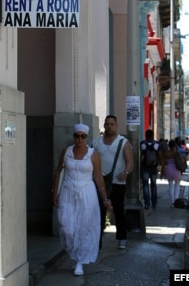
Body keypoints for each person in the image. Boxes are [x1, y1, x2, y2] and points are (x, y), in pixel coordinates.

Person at [52, 123, 112, 276]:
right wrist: (54, 193)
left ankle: (80, 261)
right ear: (74, 137)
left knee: (84, 228)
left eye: (83, 136)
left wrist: (105, 197)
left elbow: (98, 177)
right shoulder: (67, 151)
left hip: (87, 193)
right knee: (66, 227)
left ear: (87, 137)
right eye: (77, 136)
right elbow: (58, 171)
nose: (80, 139)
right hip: (67, 191)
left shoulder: (93, 154)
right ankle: (74, 252)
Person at [92, 115, 134, 250]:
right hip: (100, 182)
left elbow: (130, 162)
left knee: (118, 211)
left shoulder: (123, 142)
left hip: (117, 182)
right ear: (104, 125)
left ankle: (122, 238)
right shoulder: (96, 143)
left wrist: (126, 172)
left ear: (116, 125)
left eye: (112, 124)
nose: (109, 126)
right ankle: (97, 242)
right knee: (99, 212)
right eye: (107, 124)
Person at [140, 129, 161, 210]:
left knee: (145, 185)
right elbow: (160, 155)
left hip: (145, 168)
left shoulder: (142, 144)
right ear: (152, 135)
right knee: (153, 185)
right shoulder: (157, 144)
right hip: (154, 168)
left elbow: (140, 156)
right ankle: (154, 203)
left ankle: (147, 203)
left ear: (145, 135)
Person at [160, 140, 183, 207]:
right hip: (176, 170)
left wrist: (162, 172)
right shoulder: (177, 153)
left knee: (171, 186)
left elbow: (163, 163)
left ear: (169, 146)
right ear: (175, 145)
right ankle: (176, 201)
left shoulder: (166, 153)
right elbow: (182, 160)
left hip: (169, 169)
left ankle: (172, 202)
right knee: (177, 185)